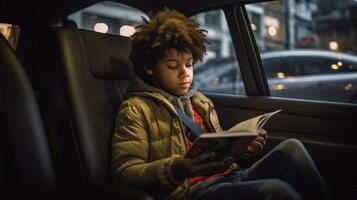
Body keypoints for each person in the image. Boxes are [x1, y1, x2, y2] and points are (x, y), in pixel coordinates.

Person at [111, 8, 330, 200]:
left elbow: (221, 155)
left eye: (189, 64)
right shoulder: (136, 109)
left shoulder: (200, 102)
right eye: (172, 66)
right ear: (149, 67)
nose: (184, 73)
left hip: (229, 177)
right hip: (192, 191)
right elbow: (125, 172)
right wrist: (176, 168)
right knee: (274, 190)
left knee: (291, 148)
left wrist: (245, 149)